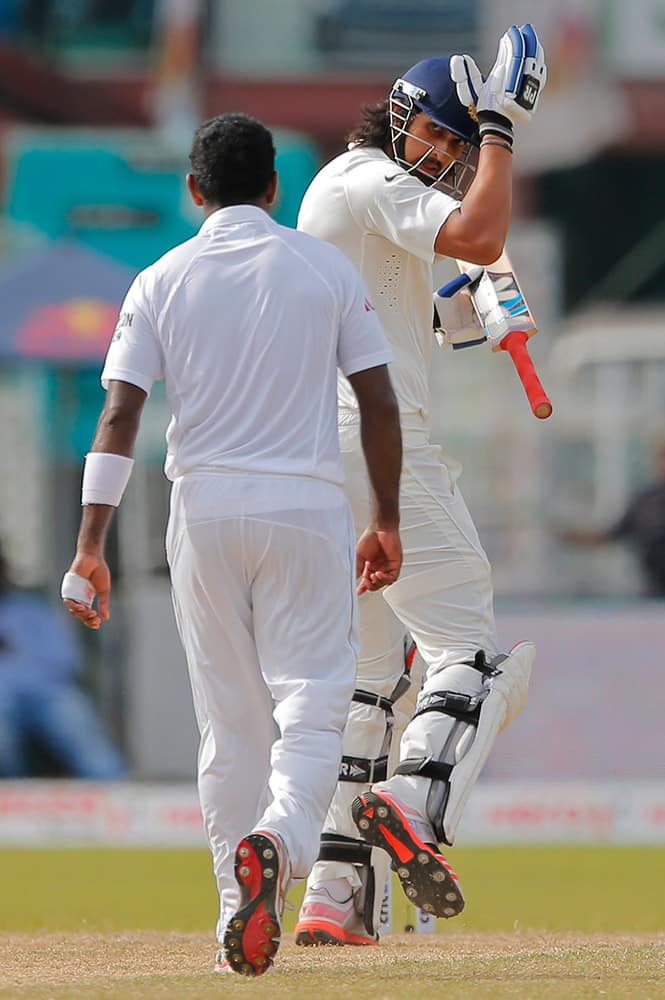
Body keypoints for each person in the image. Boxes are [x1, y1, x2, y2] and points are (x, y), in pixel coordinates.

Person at [60, 113, 403, 977]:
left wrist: (88, 546)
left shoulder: (159, 278)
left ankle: (231, 915)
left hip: (202, 509)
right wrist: (388, 519)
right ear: (275, 186)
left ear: (192, 189)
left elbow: (119, 416)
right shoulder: (323, 267)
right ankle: (281, 842)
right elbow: (378, 401)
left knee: (230, 726)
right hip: (303, 504)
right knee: (315, 704)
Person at [293, 25, 546, 946]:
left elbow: (406, 311)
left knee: (368, 686)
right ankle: (411, 805)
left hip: (321, 450)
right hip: (375, 446)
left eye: (457, 139)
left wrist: (470, 306)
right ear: (399, 120)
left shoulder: (355, 199)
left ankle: (334, 895)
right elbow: (478, 229)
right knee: (471, 656)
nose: (444, 154)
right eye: (439, 136)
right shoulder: (365, 174)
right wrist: (503, 129)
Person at [0, 538, 125, 779]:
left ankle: (114, 790)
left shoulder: (31, 609)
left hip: (48, 692)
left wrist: (11, 649)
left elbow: (66, 660)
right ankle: (13, 801)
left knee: (73, 717)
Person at [561, 438, 665, 598]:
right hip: (654, 592)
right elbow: (613, 534)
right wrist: (575, 536)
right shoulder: (645, 500)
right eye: (662, 455)